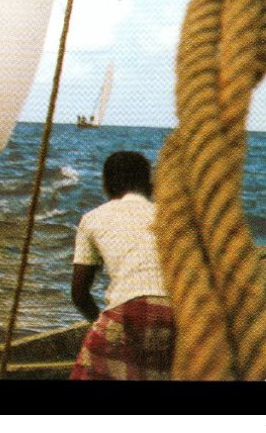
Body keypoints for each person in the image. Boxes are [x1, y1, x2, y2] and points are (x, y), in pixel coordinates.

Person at [69, 151, 175, 380]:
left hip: (129, 312)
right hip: (177, 316)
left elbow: (79, 294)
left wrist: (101, 324)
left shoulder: (92, 218)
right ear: (150, 185)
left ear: (106, 186)